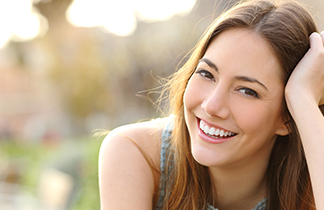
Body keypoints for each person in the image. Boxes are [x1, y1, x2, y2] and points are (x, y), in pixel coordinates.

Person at [98, 0, 324, 209]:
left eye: (247, 91)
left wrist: (303, 99)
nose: (212, 106)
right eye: (206, 74)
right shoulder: (137, 154)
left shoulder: (313, 178)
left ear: (287, 118)